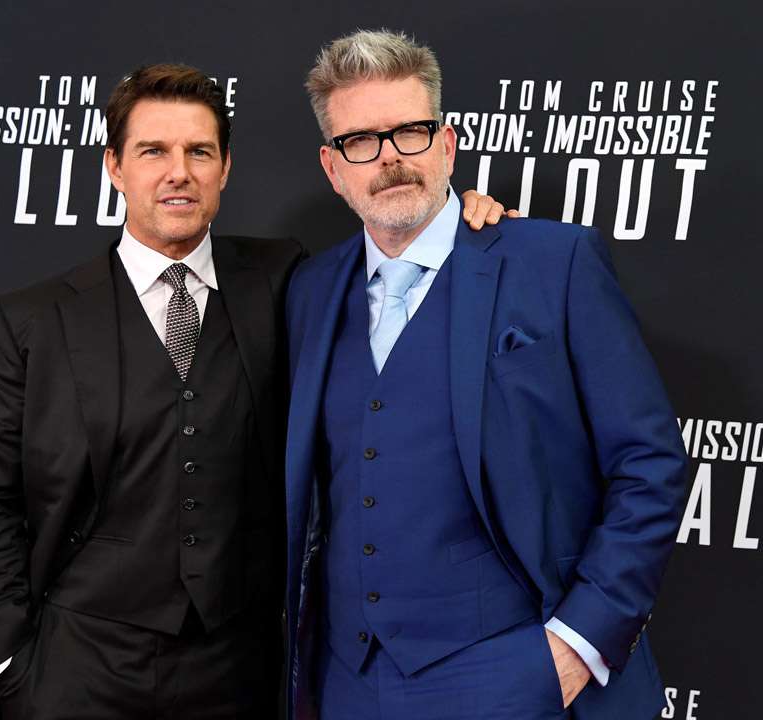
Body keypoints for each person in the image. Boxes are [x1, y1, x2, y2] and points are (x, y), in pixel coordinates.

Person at [0, 63, 508, 720]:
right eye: (153, 151)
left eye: (199, 152)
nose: (178, 172)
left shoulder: (285, 278)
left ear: (225, 168)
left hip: (240, 673)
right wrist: (12, 662)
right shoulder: (35, 320)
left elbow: (401, 253)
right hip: (79, 668)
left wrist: (467, 220)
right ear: (115, 167)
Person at [283, 30, 690, 720]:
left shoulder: (553, 263)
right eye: (361, 142)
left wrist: (579, 643)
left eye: (410, 132)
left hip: (514, 672)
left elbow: (648, 463)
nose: (389, 158)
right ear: (332, 167)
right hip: (348, 681)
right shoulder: (309, 290)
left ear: (446, 144)